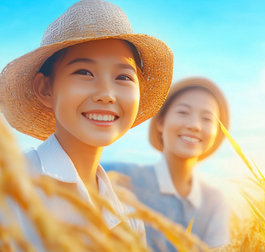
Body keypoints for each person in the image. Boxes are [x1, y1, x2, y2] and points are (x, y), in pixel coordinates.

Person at [0, 0, 173, 248]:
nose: (106, 93)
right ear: (45, 88)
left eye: (123, 77)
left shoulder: (128, 217)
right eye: (84, 72)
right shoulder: (11, 186)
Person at [104, 77, 230, 251]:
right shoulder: (118, 176)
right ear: (161, 122)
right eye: (183, 112)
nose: (195, 125)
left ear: (218, 132)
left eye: (207, 118)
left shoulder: (214, 202)